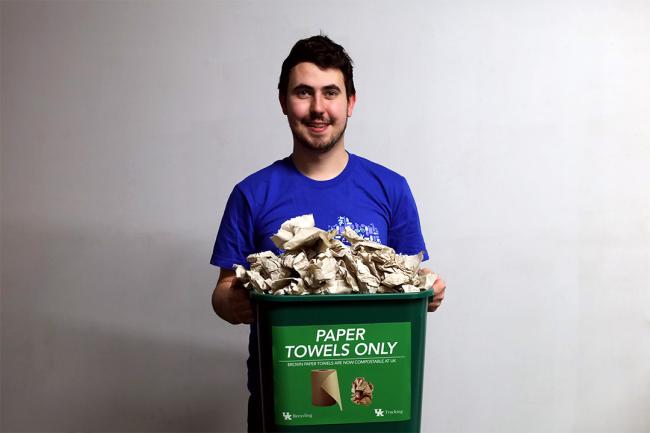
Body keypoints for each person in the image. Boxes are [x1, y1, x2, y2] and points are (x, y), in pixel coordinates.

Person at [210, 34, 446, 432]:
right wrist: (232, 301)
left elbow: (414, 279)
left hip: (371, 393)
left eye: (330, 93)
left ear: (350, 102)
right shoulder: (252, 193)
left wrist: (432, 290)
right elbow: (223, 290)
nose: (318, 108)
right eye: (304, 93)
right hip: (285, 397)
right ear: (284, 101)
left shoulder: (390, 188)